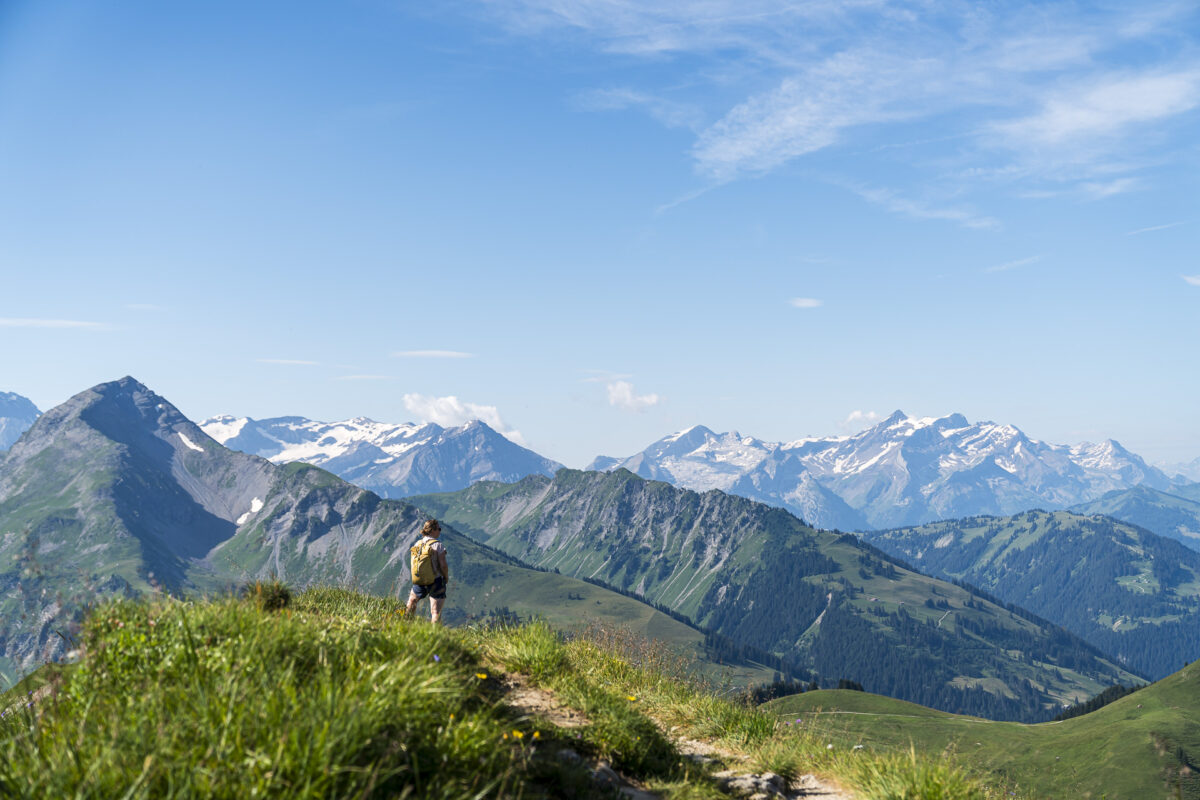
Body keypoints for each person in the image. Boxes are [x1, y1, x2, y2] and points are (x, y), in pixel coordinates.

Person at [406, 519, 449, 623]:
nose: (440, 531)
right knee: (435, 612)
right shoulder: (438, 545)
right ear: (432, 530)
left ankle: (405, 624)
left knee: (412, 601)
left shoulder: (418, 543)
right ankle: (435, 635)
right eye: (439, 528)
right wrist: (446, 577)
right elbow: (443, 565)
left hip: (420, 579)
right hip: (436, 581)